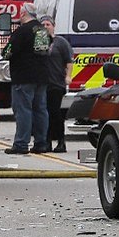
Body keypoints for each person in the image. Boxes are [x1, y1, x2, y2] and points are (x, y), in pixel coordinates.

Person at [2, 3, 50, 154]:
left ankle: (21, 144)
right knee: (40, 110)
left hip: (23, 77)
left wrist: (5, 52)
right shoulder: (42, 30)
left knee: (23, 110)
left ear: (23, 13)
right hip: (41, 77)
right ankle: (41, 143)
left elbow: (7, 52)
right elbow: (45, 51)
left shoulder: (21, 32)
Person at [40, 15, 73, 153]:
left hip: (56, 84)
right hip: (42, 84)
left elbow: (69, 61)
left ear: (53, 26)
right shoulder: (39, 43)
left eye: (48, 24)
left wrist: (68, 76)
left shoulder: (61, 42)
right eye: (43, 25)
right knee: (44, 114)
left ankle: (61, 142)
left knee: (56, 114)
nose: (46, 27)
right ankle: (46, 142)